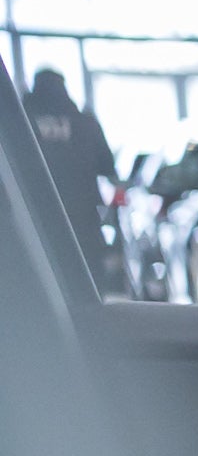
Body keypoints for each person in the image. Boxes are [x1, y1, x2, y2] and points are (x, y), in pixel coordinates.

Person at [23, 66, 127, 294]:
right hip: (82, 213)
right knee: (86, 279)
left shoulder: (21, 123)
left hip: (35, 213)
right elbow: (107, 166)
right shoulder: (83, 122)